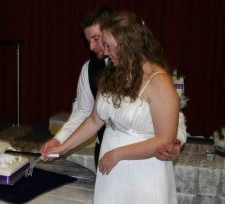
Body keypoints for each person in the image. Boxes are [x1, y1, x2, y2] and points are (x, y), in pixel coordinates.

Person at [44, 10, 180, 203]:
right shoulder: (111, 74)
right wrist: (62, 148)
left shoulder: (159, 82)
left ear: (127, 44)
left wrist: (117, 154)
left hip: (143, 172)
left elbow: (164, 139)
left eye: (108, 46)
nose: (105, 52)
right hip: (111, 168)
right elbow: (93, 120)